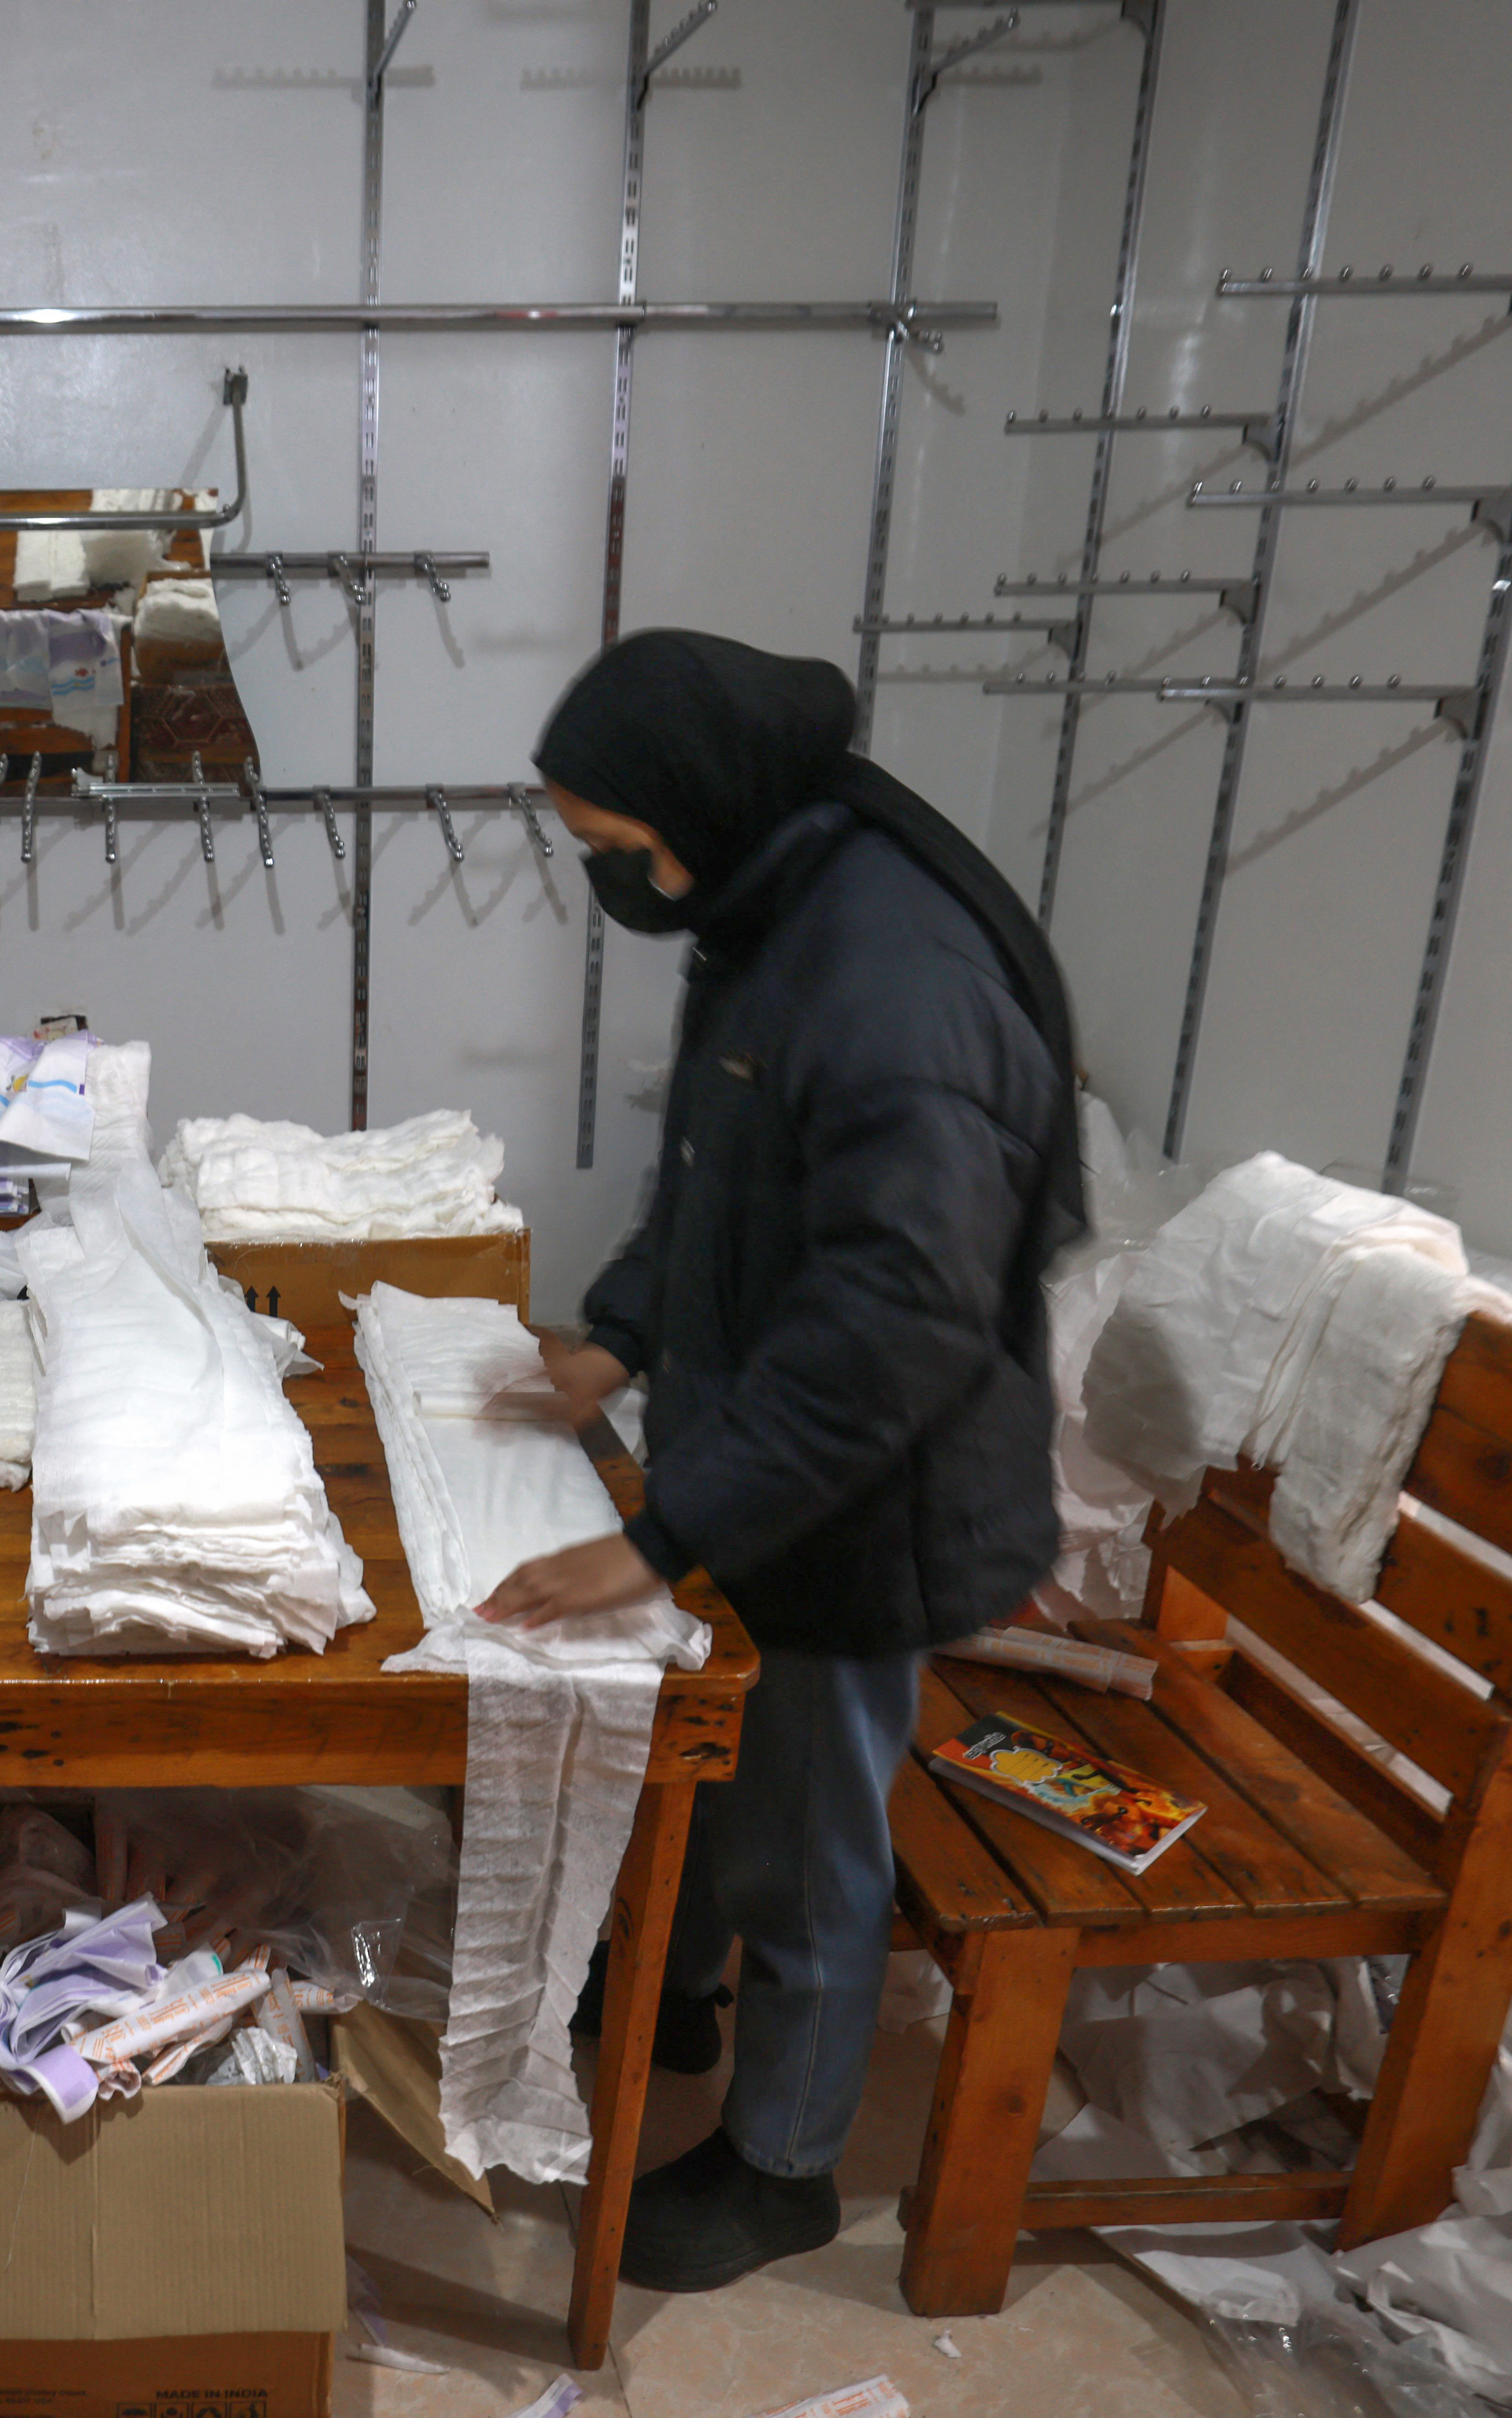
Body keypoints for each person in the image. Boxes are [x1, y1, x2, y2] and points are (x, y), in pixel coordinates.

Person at [475, 631, 1083, 2293]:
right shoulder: (778, 907)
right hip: (780, 1451)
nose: (612, 879)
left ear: (697, 807)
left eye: (613, 847)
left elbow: (899, 1315)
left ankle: (785, 2166)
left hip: (871, 1494)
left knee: (812, 1831)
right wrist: (617, 1338)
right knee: (723, 1765)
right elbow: (720, 1173)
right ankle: (669, 1992)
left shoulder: (895, 979)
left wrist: (666, 1532)